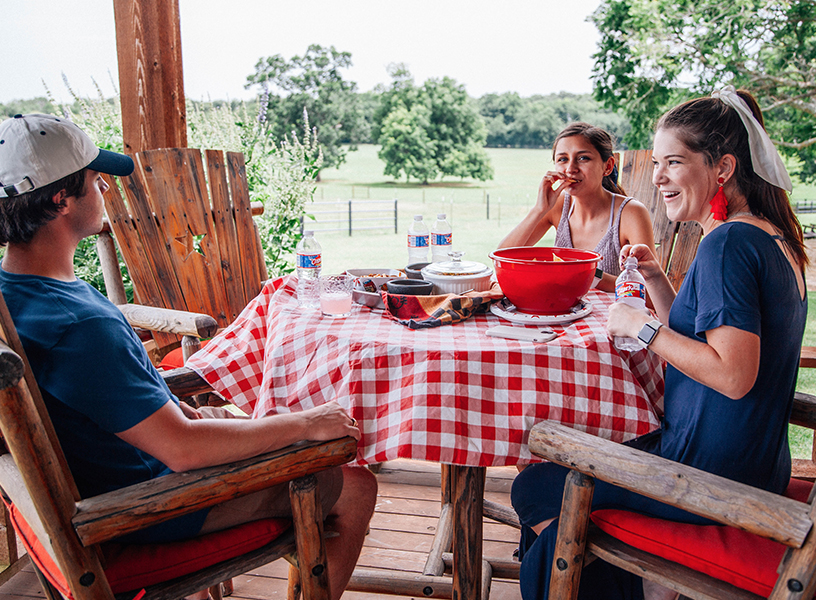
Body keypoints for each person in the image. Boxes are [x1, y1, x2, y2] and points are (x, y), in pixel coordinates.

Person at [0, 114, 377, 600]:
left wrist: (184, 409)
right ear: (61, 200)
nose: (104, 191)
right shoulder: (78, 326)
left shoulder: (19, 295)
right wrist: (307, 424)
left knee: (251, 420)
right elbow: (183, 449)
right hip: (139, 503)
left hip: (113, 467)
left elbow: (113, 399)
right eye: (95, 181)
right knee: (351, 481)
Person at [510, 87, 807, 600]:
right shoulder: (773, 238)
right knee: (560, 507)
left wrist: (638, 327)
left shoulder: (728, 244)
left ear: (724, 168)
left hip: (708, 474)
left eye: (673, 162)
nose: (659, 175)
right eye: (658, 161)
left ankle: (609, 585)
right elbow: (706, 343)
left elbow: (733, 376)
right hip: (753, 465)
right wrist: (654, 280)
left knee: (534, 485)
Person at [498, 122, 656, 292]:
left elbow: (650, 294)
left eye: (583, 158)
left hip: (610, 315)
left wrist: (591, 274)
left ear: (607, 166)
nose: (570, 169)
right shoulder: (559, 206)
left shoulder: (630, 213)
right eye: (563, 159)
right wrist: (539, 210)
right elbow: (501, 258)